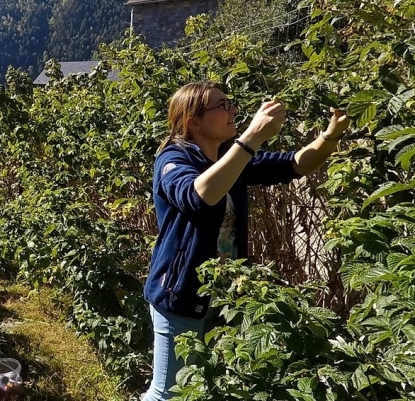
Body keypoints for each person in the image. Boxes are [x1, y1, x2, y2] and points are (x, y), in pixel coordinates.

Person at [141, 81, 350, 401]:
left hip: (226, 298)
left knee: (208, 389)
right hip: (181, 294)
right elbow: (200, 195)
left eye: (231, 103)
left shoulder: (228, 155)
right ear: (193, 121)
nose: (233, 110)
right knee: (168, 393)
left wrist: (330, 135)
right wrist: (251, 137)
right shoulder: (172, 159)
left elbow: (294, 165)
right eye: (222, 106)